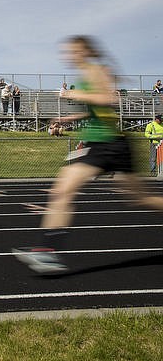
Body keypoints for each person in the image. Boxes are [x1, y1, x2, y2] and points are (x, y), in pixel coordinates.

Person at [13, 36, 163, 274]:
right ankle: (47, 252)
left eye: (72, 51)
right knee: (62, 190)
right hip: (97, 144)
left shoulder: (98, 70)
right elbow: (96, 111)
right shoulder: (84, 76)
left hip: (111, 145)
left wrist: (73, 95)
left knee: (140, 199)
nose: (68, 55)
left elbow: (108, 99)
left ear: (84, 51)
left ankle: (47, 251)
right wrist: (69, 118)